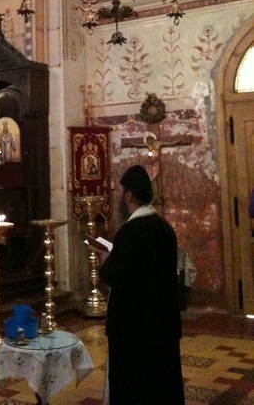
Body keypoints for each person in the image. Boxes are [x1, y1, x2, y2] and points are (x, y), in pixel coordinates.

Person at [96, 164, 184, 405]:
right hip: (162, 326)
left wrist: (106, 260)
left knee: (134, 389)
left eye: (120, 193)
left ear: (129, 196)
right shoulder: (165, 228)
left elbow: (115, 275)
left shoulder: (129, 232)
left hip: (134, 331)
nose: (119, 198)